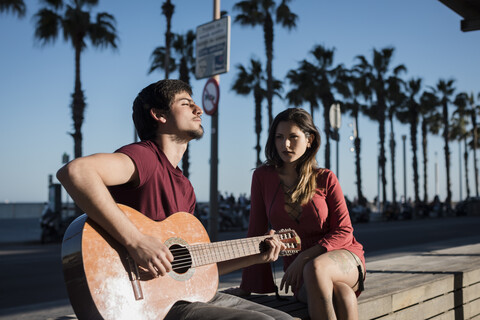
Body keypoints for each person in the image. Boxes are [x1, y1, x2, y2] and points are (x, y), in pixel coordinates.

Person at [56, 79, 293, 320]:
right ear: (159, 115)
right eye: (186, 103)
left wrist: (257, 255)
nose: (198, 109)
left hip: (186, 295)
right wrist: (136, 241)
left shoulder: (186, 188)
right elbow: (76, 172)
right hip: (150, 306)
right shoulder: (146, 157)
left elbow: (195, 266)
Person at [232, 108, 365, 320]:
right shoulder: (262, 177)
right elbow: (256, 230)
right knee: (343, 294)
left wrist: (304, 256)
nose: (285, 144)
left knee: (315, 268)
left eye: (293, 137)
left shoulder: (325, 178)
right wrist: (248, 286)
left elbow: (344, 230)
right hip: (301, 274)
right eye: (279, 137)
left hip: (343, 258)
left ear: (309, 139)